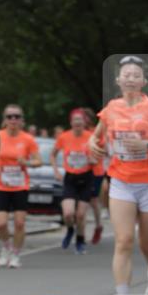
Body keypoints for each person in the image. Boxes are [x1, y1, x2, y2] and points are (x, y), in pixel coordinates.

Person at [88, 56, 148, 295]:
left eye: (135, 75)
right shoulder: (111, 108)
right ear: (118, 80)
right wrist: (93, 143)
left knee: (147, 243)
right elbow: (97, 134)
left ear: (143, 81)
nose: (130, 78)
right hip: (121, 181)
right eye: (125, 74)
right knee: (124, 240)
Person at [0, 105, 41, 268]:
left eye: (17, 116)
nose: (13, 120)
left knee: (19, 223)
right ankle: (6, 247)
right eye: (10, 116)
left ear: (22, 120)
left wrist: (26, 162)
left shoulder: (28, 139)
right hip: (0, 185)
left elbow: (38, 161)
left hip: (20, 185)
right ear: (4, 120)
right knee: (1, 223)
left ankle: (16, 255)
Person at [51, 108, 95, 254]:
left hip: (86, 178)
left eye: (80, 120)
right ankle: (70, 229)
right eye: (75, 120)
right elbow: (53, 154)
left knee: (81, 215)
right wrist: (56, 171)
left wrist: (93, 159)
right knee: (68, 213)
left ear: (84, 122)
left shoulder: (91, 137)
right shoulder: (64, 137)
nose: (77, 123)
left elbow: (99, 156)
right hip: (70, 178)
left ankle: (80, 241)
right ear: (71, 123)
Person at [83, 107, 104, 243]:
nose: (81, 120)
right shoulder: (76, 133)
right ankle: (81, 232)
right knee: (81, 202)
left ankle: (98, 225)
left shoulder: (95, 132)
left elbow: (104, 149)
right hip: (79, 171)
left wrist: (94, 157)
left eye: (84, 117)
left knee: (93, 200)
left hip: (95, 171)